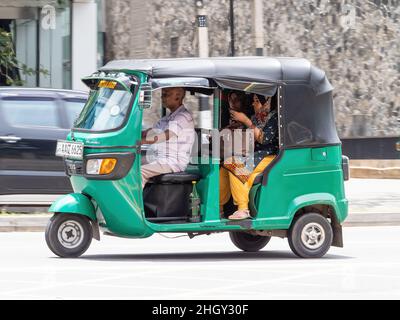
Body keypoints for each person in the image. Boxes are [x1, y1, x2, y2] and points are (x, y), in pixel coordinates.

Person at [219, 93, 279, 220]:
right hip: (253, 153)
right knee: (225, 166)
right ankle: (218, 206)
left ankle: (243, 208)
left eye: (257, 101)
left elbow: (264, 139)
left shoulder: (274, 118)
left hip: (269, 156)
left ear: (266, 102)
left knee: (233, 164)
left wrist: (246, 120)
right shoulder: (256, 118)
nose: (253, 104)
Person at [141, 87, 195, 188]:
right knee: (130, 163)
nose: (162, 97)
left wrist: (141, 142)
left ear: (178, 97)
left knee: (139, 172)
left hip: (172, 162)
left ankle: (135, 203)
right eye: (162, 95)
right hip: (160, 158)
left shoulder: (183, 117)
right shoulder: (166, 119)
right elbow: (149, 132)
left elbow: (165, 135)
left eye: (166, 95)